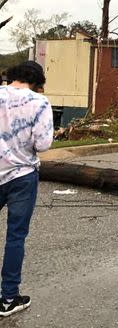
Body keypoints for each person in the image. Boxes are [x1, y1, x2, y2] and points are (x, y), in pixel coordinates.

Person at [0, 61, 53, 317]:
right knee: (15, 237)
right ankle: (9, 298)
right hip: (22, 176)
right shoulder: (39, 103)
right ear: (37, 81)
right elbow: (43, 144)